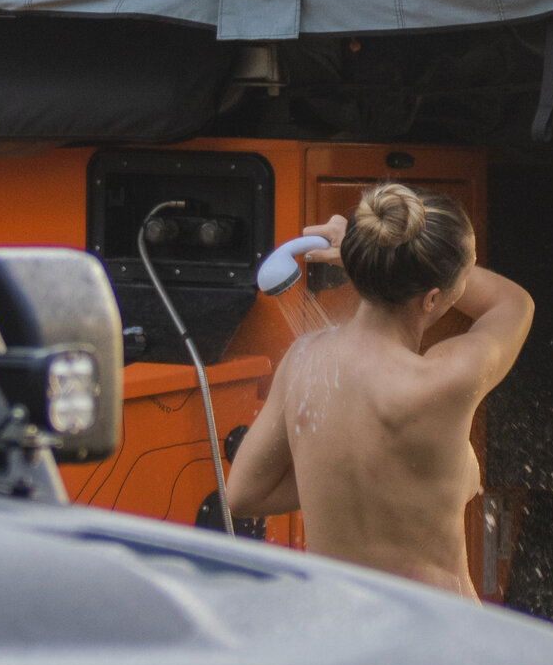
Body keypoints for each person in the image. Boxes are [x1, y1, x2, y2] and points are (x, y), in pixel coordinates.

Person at [226, 183, 534, 597]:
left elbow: (243, 494)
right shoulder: (446, 379)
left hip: (338, 622)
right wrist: (376, 258)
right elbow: (513, 303)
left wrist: (371, 257)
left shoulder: (303, 363)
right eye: (467, 270)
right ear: (432, 298)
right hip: (431, 624)